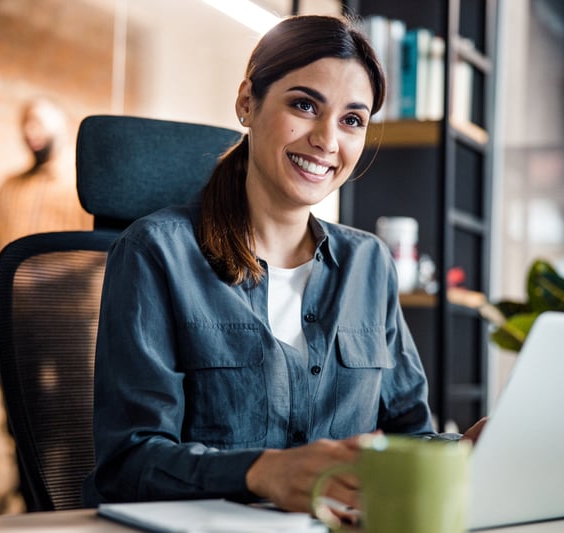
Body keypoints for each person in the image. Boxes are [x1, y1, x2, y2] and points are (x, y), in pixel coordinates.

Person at [86, 14, 485, 516]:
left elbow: (404, 437)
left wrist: (467, 446)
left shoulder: (369, 264)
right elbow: (128, 463)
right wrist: (262, 472)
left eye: (352, 120)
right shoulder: (155, 252)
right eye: (304, 105)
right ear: (247, 103)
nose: (327, 139)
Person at [0, 96, 91, 268]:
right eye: (25, 123)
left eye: (38, 122)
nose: (29, 131)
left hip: (65, 293)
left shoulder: (82, 188)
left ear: (62, 125)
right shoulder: (9, 187)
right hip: (11, 294)